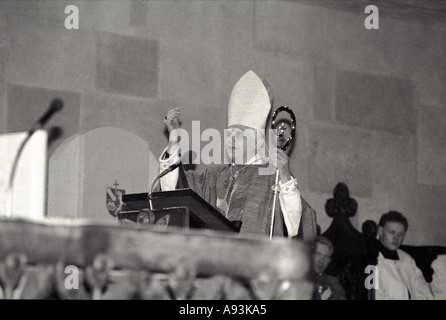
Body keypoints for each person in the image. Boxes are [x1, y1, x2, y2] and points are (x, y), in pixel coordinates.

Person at [158, 70, 317, 240]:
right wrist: (173, 142)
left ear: (257, 140)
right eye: (229, 133)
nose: (231, 139)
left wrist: (286, 180)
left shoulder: (272, 178)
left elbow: (297, 228)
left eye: (240, 134)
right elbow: (175, 194)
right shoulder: (213, 177)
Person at [374, 210, 434, 300]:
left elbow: (422, 290)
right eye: (392, 232)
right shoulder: (372, 259)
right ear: (381, 231)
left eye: (400, 234)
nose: (396, 238)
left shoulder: (407, 259)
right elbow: (376, 296)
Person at [311, 236, 346, 300]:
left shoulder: (334, 284)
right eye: (317, 254)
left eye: (326, 257)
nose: (321, 261)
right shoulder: (296, 281)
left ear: (329, 261)